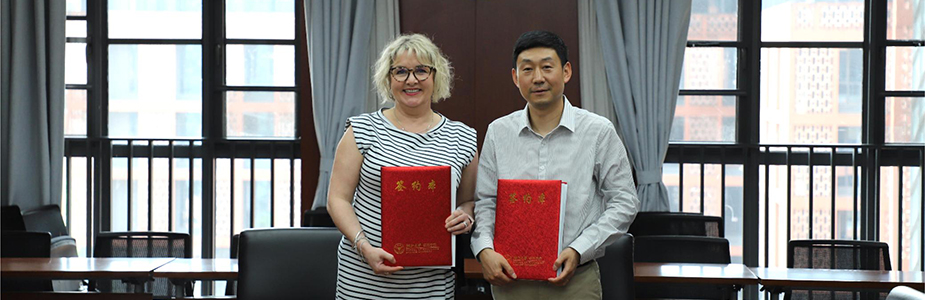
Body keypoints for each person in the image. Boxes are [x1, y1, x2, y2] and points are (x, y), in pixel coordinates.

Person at [470, 30, 639, 299]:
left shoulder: (598, 131)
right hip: (510, 281)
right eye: (527, 69)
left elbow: (625, 202)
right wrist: (484, 250)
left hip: (576, 282)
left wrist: (579, 249)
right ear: (515, 77)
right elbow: (486, 201)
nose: (538, 78)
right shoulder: (498, 132)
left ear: (566, 71)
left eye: (547, 67)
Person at [327, 33, 479, 299]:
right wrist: (363, 246)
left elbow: (467, 200)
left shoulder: (462, 137)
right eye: (401, 72)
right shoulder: (362, 130)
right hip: (364, 278)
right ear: (388, 79)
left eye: (421, 70)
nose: (412, 80)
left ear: (436, 76)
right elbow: (337, 200)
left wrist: (465, 216)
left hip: (431, 283)